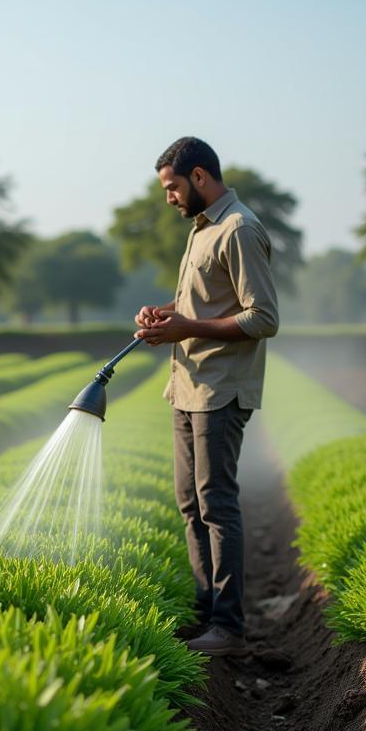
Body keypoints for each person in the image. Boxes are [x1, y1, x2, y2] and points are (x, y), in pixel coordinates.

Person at [135, 136, 279, 657]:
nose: (169, 197)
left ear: (199, 177)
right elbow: (202, 300)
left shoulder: (239, 228)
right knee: (189, 503)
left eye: (173, 187)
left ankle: (230, 627)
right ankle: (205, 613)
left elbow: (263, 317)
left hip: (220, 390)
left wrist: (188, 326)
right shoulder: (202, 231)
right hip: (187, 386)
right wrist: (165, 314)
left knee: (217, 504)